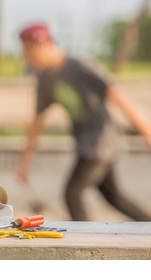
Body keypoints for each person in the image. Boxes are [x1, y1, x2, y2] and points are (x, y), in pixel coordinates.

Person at [15, 23, 151, 221]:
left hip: (101, 142)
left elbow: (117, 95)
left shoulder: (81, 67)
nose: (28, 59)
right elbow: (37, 122)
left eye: (28, 52)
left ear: (42, 45)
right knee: (113, 196)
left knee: (72, 194)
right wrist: (24, 163)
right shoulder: (46, 80)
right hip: (86, 143)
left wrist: (146, 129)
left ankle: (85, 242)